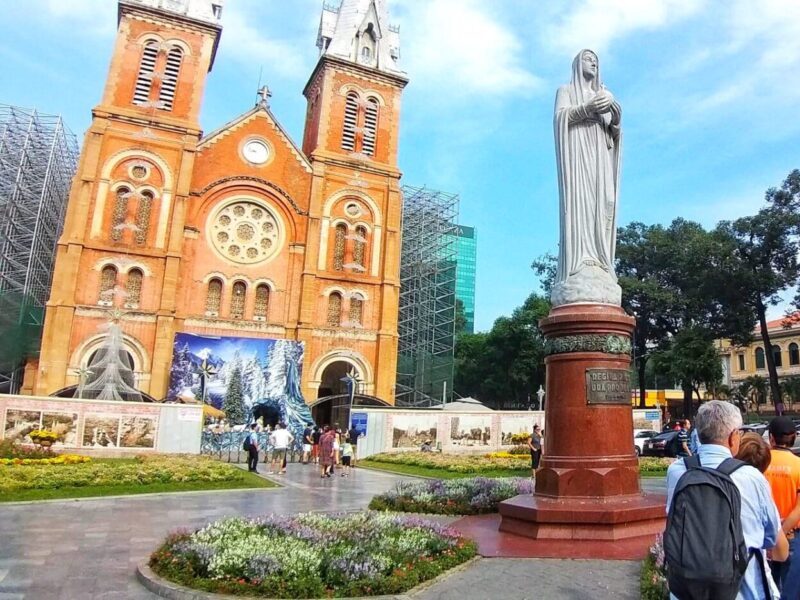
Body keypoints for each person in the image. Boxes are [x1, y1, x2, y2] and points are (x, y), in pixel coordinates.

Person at [666, 401, 788, 599]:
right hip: (742, 590)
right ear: (733, 437)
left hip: (687, 590)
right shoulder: (751, 476)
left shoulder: (677, 471)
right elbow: (770, 537)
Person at [551, 49, 622, 306]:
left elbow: (614, 132)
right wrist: (587, 108)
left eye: (595, 60)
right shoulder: (566, 91)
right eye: (587, 58)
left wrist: (615, 112)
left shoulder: (603, 93)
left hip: (600, 158)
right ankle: (582, 260)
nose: (592, 62)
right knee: (582, 202)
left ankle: (602, 261)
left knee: (607, 201)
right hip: (579, 156)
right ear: (576, 64)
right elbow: (560, 118)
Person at [764, 416, 800, 597]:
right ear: (793, 438)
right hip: (792, 535)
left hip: (763, 536)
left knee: (764, 588)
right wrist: (782, 532)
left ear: (771, 437)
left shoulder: (760, 464)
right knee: (791, 591)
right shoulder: (799, 465)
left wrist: (772, 536)